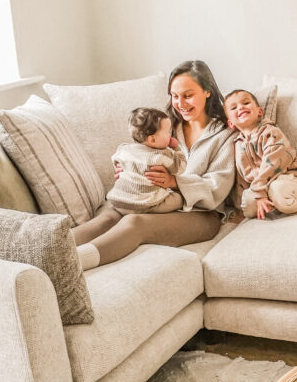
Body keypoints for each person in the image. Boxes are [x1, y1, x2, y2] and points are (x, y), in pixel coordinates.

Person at [73, 61, 235, 269]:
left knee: (134, 223)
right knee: (108, 216)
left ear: (207, 92)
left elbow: (218, 187)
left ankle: (71, 264)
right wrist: (129, 170)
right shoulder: (166, 126)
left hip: (199, 214)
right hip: (149, 199)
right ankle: (44, 248)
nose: (180, 103)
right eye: (175, 96)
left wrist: (174, 182)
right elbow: (140, 152)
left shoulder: (224, 135)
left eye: (187, 95)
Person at [224, 88, 297, 220]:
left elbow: (273, 162)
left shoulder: (270, 132)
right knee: (247, 203)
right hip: (262, 187)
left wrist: (259, 192)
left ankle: (296, 207)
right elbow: (241, 179)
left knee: (277, 189)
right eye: (234, 107)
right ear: (231, 123)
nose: (241, 107)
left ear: (260, 112)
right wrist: (240, 208)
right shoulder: (238, 144)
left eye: (246, 103)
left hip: (289, 178)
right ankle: (272, 205)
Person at [105, 107, 186, 215]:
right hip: (145, 205)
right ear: (152, 139)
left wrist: (118, 165)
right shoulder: (162, 155)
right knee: (181, 198)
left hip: (119, 202)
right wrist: (177, 148)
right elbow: (181, 167)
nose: (171, 135)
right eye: (168, 132)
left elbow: (115, 158)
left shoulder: (124, 149)